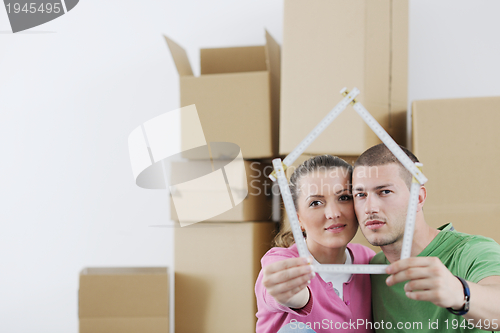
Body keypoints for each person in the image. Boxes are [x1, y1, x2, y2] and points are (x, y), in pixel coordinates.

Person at [352, 143, 500, 332]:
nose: (370, 208)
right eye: (360, 194)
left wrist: (459, 293)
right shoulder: (371, 270)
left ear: (418, 198)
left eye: (385, 192)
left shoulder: (473, 251)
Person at [255, 155, 375, 333]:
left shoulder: (368, 259)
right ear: (298, 219)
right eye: (316, 203)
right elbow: (274, 288)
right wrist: (291, 296)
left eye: (343, 198)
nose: (333, 213)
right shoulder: (281, 261)